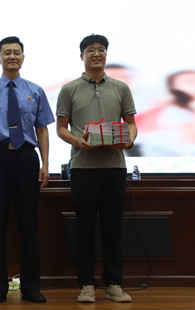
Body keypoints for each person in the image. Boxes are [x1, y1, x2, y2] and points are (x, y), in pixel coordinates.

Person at [0, 36, 55, 305]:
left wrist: (45, 163)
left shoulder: (35, 90)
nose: (12, 57)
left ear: (23, 58)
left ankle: (31, 287)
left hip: (27, 158)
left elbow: (42, 129)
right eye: (7, 53)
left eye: (16, 52)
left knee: (28, 224)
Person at [55, 34, 137, 303]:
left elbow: (131, 124)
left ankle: (113, 284)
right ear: (82, 55)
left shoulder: (121, 87)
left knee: (113, 229)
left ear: (106, 55)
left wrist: (129, 141)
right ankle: (87, 285)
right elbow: (61, 128)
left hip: (114, 166)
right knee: (85, 229)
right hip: (83, 168)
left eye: (101, 49)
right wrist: (77, 141)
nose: (97, 54)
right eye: (91, 50)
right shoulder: (69, 89)